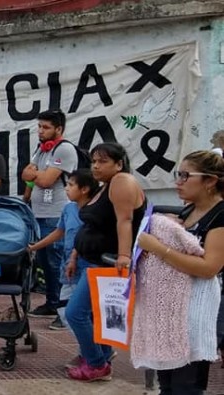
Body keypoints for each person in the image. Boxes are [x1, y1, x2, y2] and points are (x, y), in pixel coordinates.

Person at [137, 150, 224, 394]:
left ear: (210, 181)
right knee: (167, 385)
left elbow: (209, 268)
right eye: (178, 174)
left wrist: (158, 247)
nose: (179, 181)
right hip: (172, 312)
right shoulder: (187, 211)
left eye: (186, 175)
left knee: (187, 386)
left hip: (196, 310)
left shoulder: (220, 216)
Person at [64, 142, 145, 382]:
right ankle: (101, 354)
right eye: (94, 161)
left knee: (75, 313)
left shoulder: (122, 181)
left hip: (107, 262)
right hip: (91, 261)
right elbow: (92, 225)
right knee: (97, 316)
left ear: (119, 164)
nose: (96, 166)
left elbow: (125, 220)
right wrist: (75, 255)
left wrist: (124, 256)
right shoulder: (107, 186)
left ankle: (97, 363)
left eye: (103, 161)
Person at [21, 110, 78, 319]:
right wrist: (28, 193)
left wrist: (36, 174)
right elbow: (27, 175)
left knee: (57, 261)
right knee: (44, 262)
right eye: (39, 127)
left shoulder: (64, 150)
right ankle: (51, 302)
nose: (41, 131)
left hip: (56, 213)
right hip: (38, 212)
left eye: (46, 127)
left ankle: (63, 310)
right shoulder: (41, 149)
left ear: (59, 129)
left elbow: (45, 180)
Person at [27, 169, 99, 331]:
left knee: (84, 311)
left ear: (84, 189)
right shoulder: (68, 209)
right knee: (67, 308)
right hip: (67, 266)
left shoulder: (94, 212)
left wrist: (74, 258)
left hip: (86, 266)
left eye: (71, 185)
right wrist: (34, 247)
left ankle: (95, 351)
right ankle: (89, 348)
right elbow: (59, 232)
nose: (66, 188)